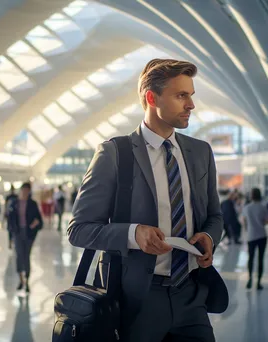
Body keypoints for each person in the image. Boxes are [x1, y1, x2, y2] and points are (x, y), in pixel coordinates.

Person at [68, 58, 228, 342]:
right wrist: (133, 234)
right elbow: (78, 229)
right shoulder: (115, 153)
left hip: (190, 295)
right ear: (152, 98)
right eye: (181, 95)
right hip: (138, 299)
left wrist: (209, 237)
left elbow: (215, 216)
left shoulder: (200, 152)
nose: (191, 105)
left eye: (191, 95)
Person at [8, 182, 43, 293]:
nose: (25, 192)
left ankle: (27, 282)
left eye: (27, 190)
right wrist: (11, 236)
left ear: (29, 191)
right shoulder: (14, 203)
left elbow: (39, 220)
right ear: (21, 190)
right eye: (23, 190)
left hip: (28, 234)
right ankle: (20, 280)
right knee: (19, 255)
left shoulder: (32, 204)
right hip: (18, 233)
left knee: (26, 256)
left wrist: (34, 225)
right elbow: (10, 221)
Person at [242, 188, 268, 290]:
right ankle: (259, 282)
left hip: (251, 236)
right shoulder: (263, 207)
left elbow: (244, 222)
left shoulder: (246, 208)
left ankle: (249, 280)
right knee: (260, 259)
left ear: (251, 196)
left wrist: (247, 231)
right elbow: (266, 221)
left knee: (251, 258)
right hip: (262, 235)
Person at [5, 185, 18, 250]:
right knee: (10, 229)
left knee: (14, 229)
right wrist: (6, 214)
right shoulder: (8, 197)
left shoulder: (16, 197)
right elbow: (6, 206)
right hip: (9, 216)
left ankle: (13, 242)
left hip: (14, 216)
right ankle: (10, 242)